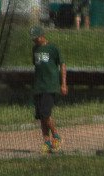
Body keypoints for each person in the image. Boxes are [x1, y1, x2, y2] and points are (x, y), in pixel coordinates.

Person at [30, 26, 67, 154]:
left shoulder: (53, 48)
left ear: (42, 35)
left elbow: (62, 65)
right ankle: (46, 142)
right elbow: (37, 66)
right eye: (33, 39)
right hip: (38, 86)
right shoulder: (35, 49)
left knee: (46, 114)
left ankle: (56, 137)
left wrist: (63, 84)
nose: (34, 41)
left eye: (36, 38)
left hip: (50, 86)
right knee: (41, 116)